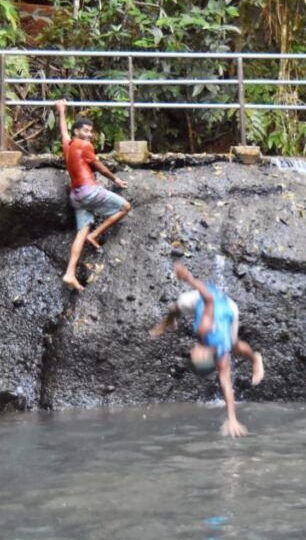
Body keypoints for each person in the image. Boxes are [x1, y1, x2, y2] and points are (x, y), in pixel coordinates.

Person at [149, 262, 264, 438]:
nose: (190, 353)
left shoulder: (217, 350)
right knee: (231, 344)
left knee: (230, 343)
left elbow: (225, 382)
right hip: (222, 306)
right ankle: (255, 357)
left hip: (219, 312)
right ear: (203, 355)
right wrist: (188, 278)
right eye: (192, 356)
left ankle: (255, 359)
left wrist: (232, 418)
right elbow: (208, 297)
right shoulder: (205, 330)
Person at [55, 99, 131, 292]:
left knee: (81, 232)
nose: (89, 135)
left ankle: (70, 272)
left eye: (90, 132)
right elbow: (100, 167)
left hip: (76, 197)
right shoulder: (83, 145)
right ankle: (95, 234)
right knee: (125, 207)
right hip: (89, 191)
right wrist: (116, 180)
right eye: (85, 131)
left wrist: (61, 111)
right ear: (77, 132)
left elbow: (63, 132)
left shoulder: (68, 144)